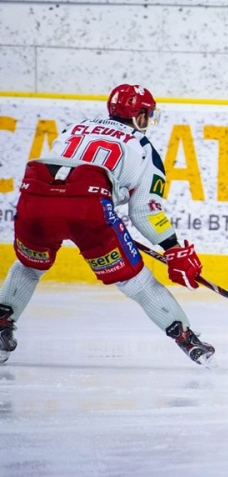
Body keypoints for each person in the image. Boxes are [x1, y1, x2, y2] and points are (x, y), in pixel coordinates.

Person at [0, 84, 214, 367]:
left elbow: (60, 175)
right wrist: (172, 248)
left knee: (29, 266)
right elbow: (143, 211)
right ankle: (186, 338)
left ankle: (2, 322)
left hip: (34, 203)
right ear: (138, 115)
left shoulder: (74, 129)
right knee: (137, 282)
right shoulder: (143, 147)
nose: (148, 120)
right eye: (147, 114)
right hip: (88, 214)